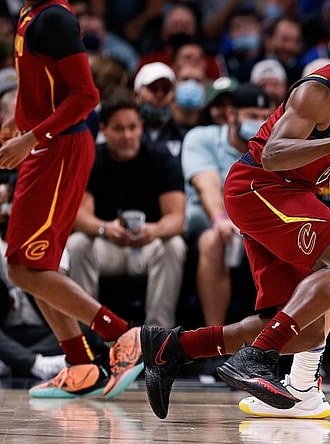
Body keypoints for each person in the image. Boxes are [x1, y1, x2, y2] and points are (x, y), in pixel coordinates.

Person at [139, 0, 330, 420]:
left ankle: (171, 348)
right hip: (259, 186)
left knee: (302, 334)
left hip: (290, 191)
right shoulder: (318, 92)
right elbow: (273, 154)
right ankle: (257, 358)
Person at [0, 0, 141, 399]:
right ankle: (80, 366)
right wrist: (21, 119)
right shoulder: (31, 12)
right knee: (33, 266)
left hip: (59, 148)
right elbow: (46, 83)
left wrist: (31, 136)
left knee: (24, 269)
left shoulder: (55, 18)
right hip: (47, 145)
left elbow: (85, 96)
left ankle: (123, 336)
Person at [65, 90, 187, 329]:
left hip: (148, 245)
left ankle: (158, 337)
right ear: (103, 129)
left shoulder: (161, 158)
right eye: (118, 129)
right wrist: (104, 228)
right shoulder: (93, 159)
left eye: (133, 127)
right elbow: (79, 215)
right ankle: (87, 333)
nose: (127, 135)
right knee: (77, 244)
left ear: (141, 126)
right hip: (109, 245)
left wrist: (153, 230)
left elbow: (177, 219)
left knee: (175, 246)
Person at [181, 83, 269, 328]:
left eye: (264, 118)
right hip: (206, 222)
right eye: (252, 116)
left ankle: (279, 346)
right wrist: (221, 220)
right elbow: (207, 185)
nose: (259, 123)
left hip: (252, 224)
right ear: (232, 115)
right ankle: (215, 338)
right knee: (214, 240)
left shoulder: (271, 147)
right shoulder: (201, 137)